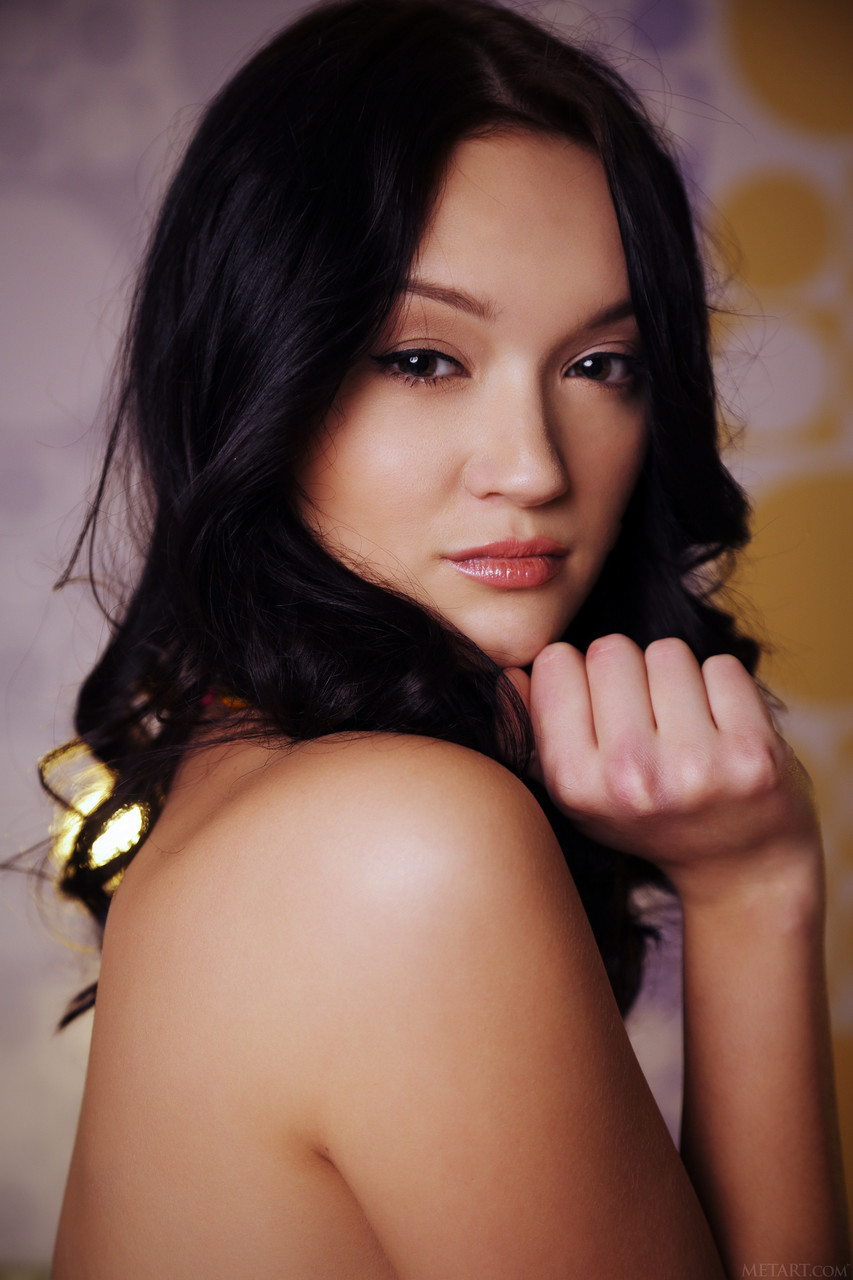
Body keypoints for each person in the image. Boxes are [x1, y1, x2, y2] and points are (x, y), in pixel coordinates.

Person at [44, 0, 849, 1275]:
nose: (533, 466)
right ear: (257, 368)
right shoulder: (399, 841)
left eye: (601, 365)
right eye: (422, 359)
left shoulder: (247, 764)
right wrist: (756, 889)